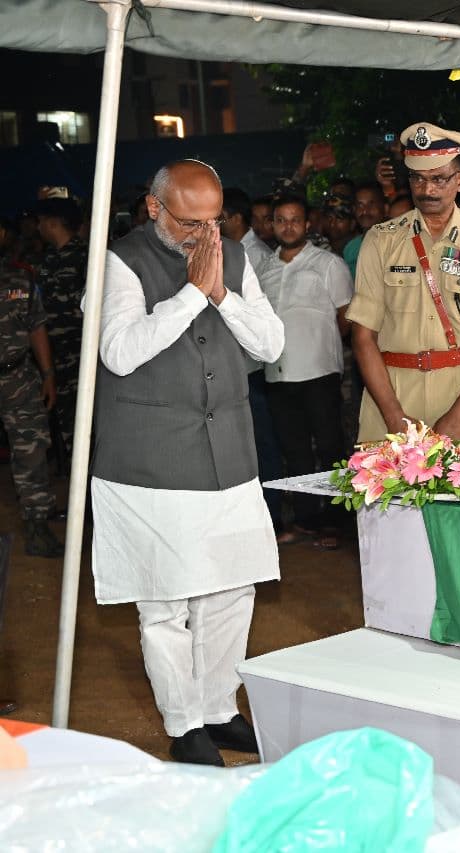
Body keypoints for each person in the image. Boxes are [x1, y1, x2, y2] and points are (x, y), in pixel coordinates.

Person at [91, 159, 284, 765]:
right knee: (166, 601)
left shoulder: (233, 255)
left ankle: (220, 709)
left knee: (232, 588)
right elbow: (119, 353)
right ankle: (184, 724)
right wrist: (191, 295)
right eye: (189, 221)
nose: (205, 234)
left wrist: (222, 291)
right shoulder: (119, 261)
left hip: (227, 451)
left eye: (214, 220)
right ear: (154, 208)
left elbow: (270, 344)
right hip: (151, 460)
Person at [348, 123, 460, 442]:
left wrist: (458, 417)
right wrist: (392, 415)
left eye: (438, 179)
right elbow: (362, 336)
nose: (427, 190)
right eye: (418, 178)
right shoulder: (380, 240)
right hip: (391, 393)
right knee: (386, 492)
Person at [261, 195, 353, 548]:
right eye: (281, 220)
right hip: (278, 374)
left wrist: (321, 345)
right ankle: (304, 520)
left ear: (307, 224)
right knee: (294, 451)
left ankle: (335, 524)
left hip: (318, 372)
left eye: (295, 220)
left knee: (329, 446)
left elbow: (346, 315)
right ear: (273, 224)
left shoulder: (328, 264)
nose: (288, 226)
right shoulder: (264, 270)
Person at [221, 187, 284, 528]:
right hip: (237, 366)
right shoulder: (233, 251)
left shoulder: (252, 255)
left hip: (250, 365)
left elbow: (258, 317)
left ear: (233, 218)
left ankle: (271, 512)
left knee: (261, 443)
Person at [0, 258, 60, 557]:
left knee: (32, 450)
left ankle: (37, 525)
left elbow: (37, 327)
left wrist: (48, 374)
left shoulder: (20, 280)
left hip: (17, 377)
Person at [33, 196, 88, 459]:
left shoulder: (86, 258)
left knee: (89, 428)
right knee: (67, 427)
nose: (37, 228)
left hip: (83, 359)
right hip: (55, 360)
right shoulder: (46, 262)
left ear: (53, 222)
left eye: (40, 221)